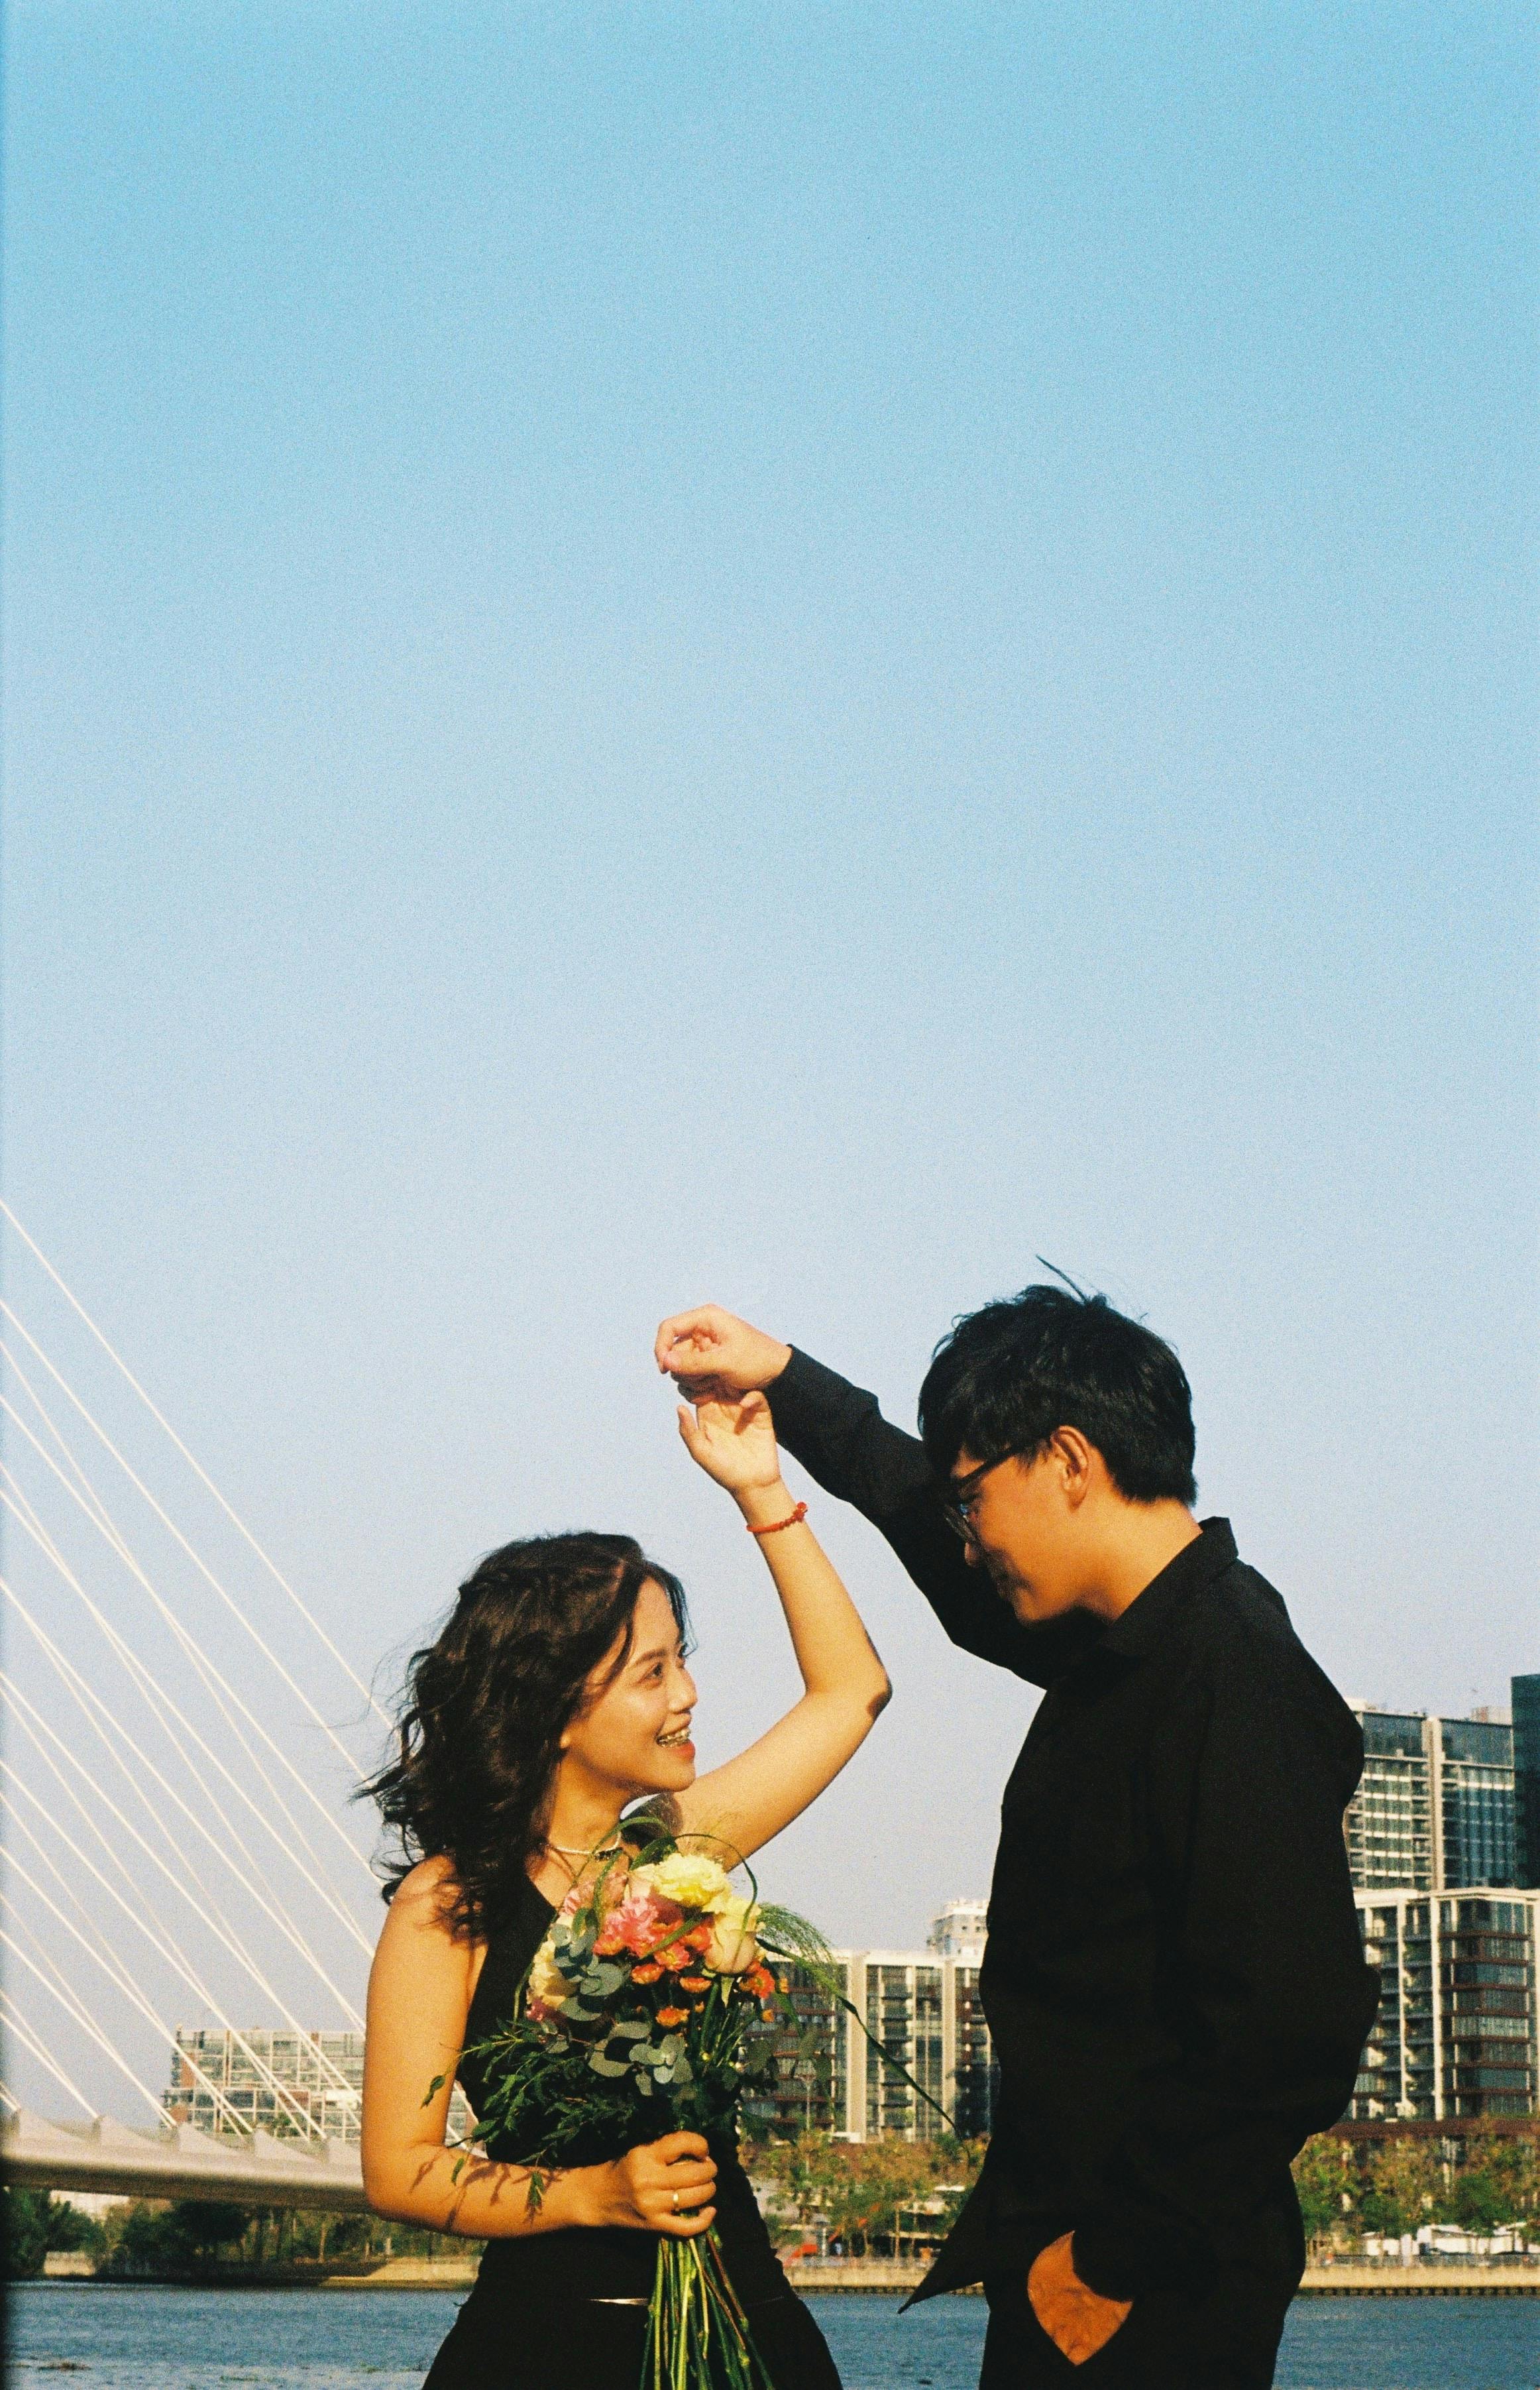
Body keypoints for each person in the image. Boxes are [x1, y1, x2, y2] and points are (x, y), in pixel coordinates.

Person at [655, 1290, 1378, 2390]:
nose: (969, 1536)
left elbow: (1294, 2026)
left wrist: (1106, 2262)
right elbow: (948, 1555)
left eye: (975, 1499)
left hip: (1147, 2289)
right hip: (1085, 2256)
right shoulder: (1132, 1648)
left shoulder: (1234, 1671)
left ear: (1069, 1460)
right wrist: (787, 1387)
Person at [360, 1387, 889, 2389]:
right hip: (551, 2345)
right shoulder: (448, 1904)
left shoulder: (675, 1848)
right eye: (653, 1671)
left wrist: (763, 1489)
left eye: (681, 1660)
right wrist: (591, 2193)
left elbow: (851, 1689)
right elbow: (399, 2166)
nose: (688, 1692)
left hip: (747, 2333)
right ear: (558, 1708)